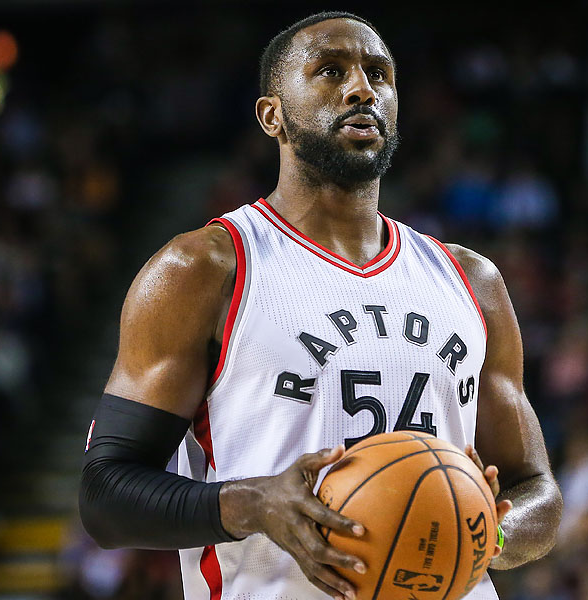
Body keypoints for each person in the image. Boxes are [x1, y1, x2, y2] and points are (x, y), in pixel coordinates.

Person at [79, 11, 562, 600]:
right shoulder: (206, 269)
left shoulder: (472, 280)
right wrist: (251, 505)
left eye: (378, 73)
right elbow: (105, 497)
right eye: (330, 72)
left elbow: (535, 489)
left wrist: (487, 536)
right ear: (272, 116)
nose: (362, 88)